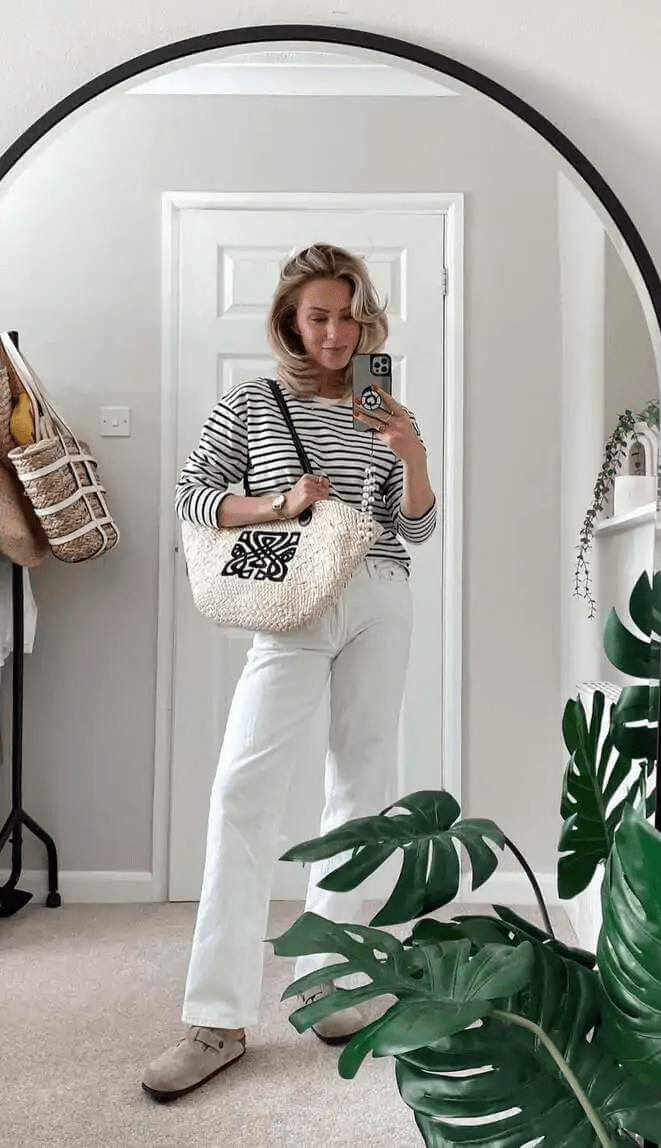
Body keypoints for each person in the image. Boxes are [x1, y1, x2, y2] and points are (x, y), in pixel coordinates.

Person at [142, 243, 437, 1101]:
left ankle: (325, 986)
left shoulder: (383, 407)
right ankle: (217, 1018)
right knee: (244, 792)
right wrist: (280, 503)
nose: (337, 332)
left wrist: (411, 450)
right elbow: (192, 496)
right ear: (289, 322)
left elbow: (413, 529)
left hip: (381, 593)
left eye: (349, 315)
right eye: (319, 316)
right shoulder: (252, 403)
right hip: (295, 601)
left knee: (362, 792)